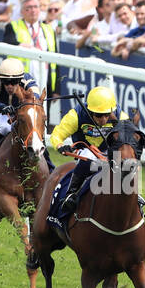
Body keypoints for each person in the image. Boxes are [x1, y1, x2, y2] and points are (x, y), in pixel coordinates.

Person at [46, 85, 123, 223]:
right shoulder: (76, 115)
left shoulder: (119, 115)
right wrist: (60, 146)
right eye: (99, 115)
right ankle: (71, 194)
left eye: (107, 115)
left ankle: (133, 198)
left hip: (108, 152)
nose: (103, 120)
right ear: (89, 110)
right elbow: (57, 134)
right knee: (88, 156)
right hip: (85, 151)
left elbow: (130, 135)